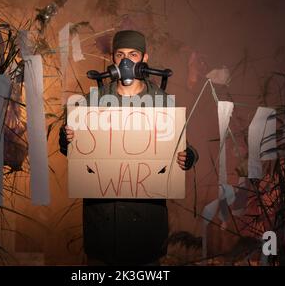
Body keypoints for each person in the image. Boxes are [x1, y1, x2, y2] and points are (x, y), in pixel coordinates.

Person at [59, 30, 198, 265]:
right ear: (112, 59)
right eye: (120, 54)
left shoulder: (162, 102)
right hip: (103, 224)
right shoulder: (92, 101)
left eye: (133, 54)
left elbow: (184, 146)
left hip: (146, 225)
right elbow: (72, 150)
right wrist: (67, 138)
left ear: (144, 58)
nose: (126, 60)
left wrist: (189, 156)